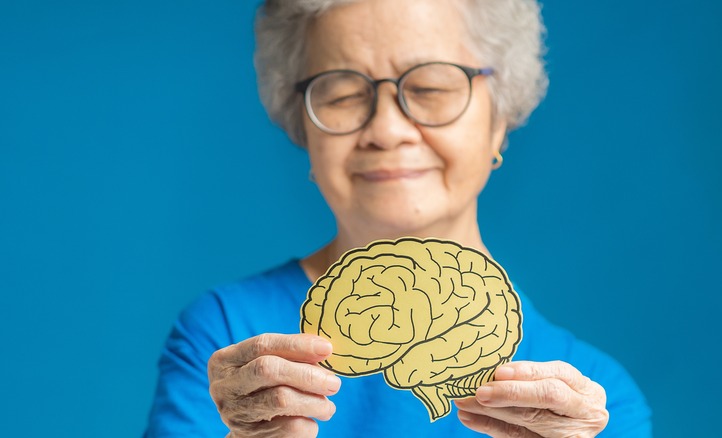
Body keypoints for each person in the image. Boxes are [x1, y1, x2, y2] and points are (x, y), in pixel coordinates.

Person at [144, 0, 652, 436]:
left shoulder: (595, 406)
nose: (386, 130)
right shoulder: (226, 339)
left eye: (431, 87)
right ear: (303, 127)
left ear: (501, 119)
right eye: (342, 94)